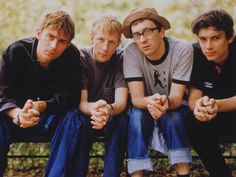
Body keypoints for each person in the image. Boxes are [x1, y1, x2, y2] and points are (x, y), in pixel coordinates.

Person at [0, 10, 82, 177]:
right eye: (50, 37)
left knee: (71, 117)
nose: (54, 46)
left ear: (68, 44)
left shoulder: (72, 56)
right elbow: (2, 93)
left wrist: (42, 105)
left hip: (49, 117)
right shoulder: (16, 51)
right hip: (14, 117)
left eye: (61, 41)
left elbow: (70, 97)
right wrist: (18, 114)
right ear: (38, 32)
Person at [122, 7, 193, 177]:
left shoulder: (182, 49)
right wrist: (151, 102)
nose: (142, 39)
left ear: (161, 31)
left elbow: (176, 97)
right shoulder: (131, 51)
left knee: (172, 116)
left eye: (147, 31)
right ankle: (137, 174)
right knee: (137, 117)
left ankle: (183, 173)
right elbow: (137, 99)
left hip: (175, 105)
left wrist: (164, 103)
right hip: (144, 106)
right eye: (137, 34)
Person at [75, 15, 128, 177]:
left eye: (111, 42)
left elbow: (121, 102)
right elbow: (82, 103)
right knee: (79, 123)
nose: (105, 47)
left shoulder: (122, 58)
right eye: (100, 39)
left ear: (118, 43)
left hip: (111, 113)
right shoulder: (81, 57)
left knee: (121, 122)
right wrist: (96, 111)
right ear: (92, 37)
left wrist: (107, 110)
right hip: (87, 113)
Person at [185, 9, 236, 177]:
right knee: (192, 120)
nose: (208, 46)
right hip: (213, 116)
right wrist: (199, 108)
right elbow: (194, 96)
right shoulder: (196, 54)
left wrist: (217, 105)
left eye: (216, 38)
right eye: (203, 39)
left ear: (230, 37)